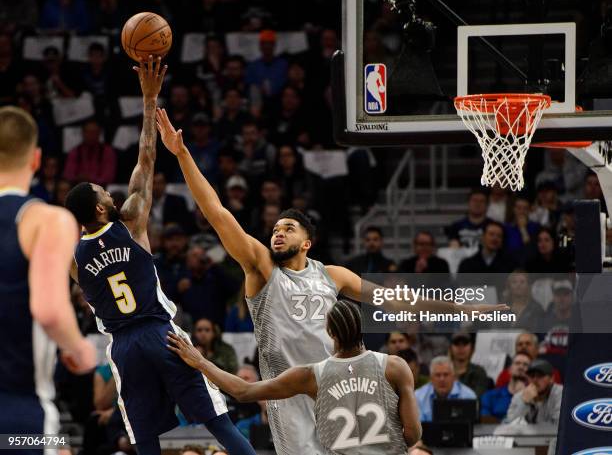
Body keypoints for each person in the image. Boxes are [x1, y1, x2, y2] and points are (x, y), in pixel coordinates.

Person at [156, 106, 503, 455]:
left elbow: (397, 299)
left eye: (288, 228)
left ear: (307, 242)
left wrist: (461, 307)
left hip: (335, 388)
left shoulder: (332, 275)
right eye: (275, 229)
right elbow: (217, 213)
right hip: (288, 393)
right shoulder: (262, 269)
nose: (278, 233)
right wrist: (182, 154)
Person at [64, 57, 255, 455]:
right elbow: (146, 158)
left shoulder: (74, 259)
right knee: (217, 421)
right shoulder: (130, 221)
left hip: (122, 347)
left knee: (147, 442)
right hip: (160, 333)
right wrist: (150, 99)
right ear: (100, 210)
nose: (110, 192)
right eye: (103, 192)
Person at [168, 299, 422, 453]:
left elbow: (243, 391)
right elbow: (413, 434)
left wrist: (201, 362)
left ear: (330, 332)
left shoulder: (311, 375)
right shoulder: (395, 366)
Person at [0, 106, 96, 437]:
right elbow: (48, 310)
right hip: (17, 411)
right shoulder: (45, 219)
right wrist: (80, 350)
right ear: (36, 159)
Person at [415, 356, 477, 422]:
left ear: (454, 377)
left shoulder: (469, 396)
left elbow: (472, 428)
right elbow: (418, 428)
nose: (442, 379)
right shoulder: (418, 396)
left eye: (446, 374)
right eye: (438, 375)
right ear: (431, 378)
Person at [504, 359, 563, 426]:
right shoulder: (519, 396)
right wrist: (524, 403)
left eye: (540, 375)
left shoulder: (561, 394)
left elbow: (560, 426)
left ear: (551, 378)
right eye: (531, 376)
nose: (535, 380)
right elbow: (510, 426)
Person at [496, 332, 562, 386]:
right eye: (520, 344)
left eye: (528, 344)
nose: (523, 347)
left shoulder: (550, 373)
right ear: (515, 349)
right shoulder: (505, 375)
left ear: (537, 349)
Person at [480, 352, 531, 422]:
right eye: (517, 363)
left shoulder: (535, 398)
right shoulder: (490, 396)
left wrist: (522, 396)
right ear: (509, 369)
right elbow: (484, 420)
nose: (521, 367)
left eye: (525, 365)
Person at [448, 332, 490, 397]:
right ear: (450, 348)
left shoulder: (479, 372)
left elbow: (477, 397)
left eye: (465, 344)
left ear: (472, 348)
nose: (461, 348)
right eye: (457, 344)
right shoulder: (443, 371)